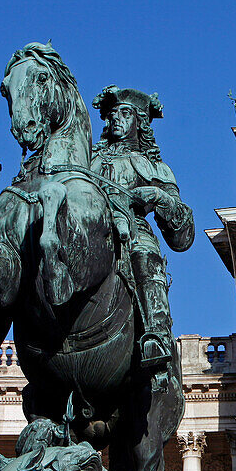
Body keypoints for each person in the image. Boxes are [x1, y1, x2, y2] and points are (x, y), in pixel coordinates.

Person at [90, 86, 194, 369]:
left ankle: (157, 334)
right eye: (112, 114)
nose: (116, 119)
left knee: (145, 255)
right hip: (87, 231)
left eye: (125, 113)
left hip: (133, 232)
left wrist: (159, 197)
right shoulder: (86, 162)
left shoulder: (154, 167)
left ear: (140, 122)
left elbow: (183, 235)